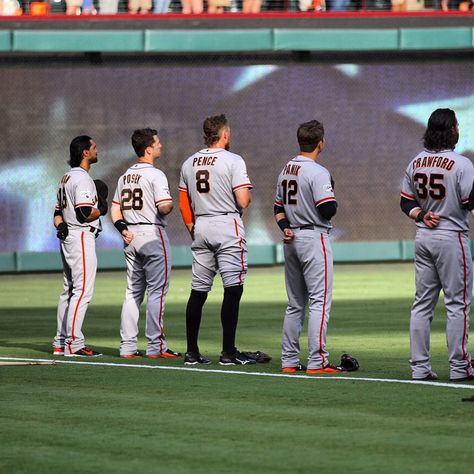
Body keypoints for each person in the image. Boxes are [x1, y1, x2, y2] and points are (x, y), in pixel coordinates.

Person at [400, 108, 474, 382]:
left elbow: (406, 201)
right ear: (451, 129)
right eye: (456, 124)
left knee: (422, 304)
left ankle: (419, 368)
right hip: (451, 237)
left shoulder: (416, 161)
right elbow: (472, 204)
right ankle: (459, 367)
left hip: (424, 237)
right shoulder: (462, 163)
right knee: (457, 305)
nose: (459, 128)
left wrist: (421, 214)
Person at [178, 114, 256, 366]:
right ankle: (228, 352)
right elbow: (243, 200)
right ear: (224, 135)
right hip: (226, 224)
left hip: (201, 225)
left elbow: (183, 202)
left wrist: (192, 227)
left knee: (198, 291)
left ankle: (191, 352)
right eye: (228, 132)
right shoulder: (233, 160)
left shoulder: (189, 162)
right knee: (233, 289)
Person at [274, 120, 343, 374]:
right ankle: (317, 361)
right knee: (319, 302)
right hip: (313, 239)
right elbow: (328, 209)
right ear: (320, 143)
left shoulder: (286, 169)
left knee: (295, 303)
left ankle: (289, 361)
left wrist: (285, 229)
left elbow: (278, 209)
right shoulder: (318, 172)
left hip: (291, 239)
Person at [110, 128, 180, 360]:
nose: (160, 145)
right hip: (152, 233)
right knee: (157, 292)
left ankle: (127, 347)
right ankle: (155, 346)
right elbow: (163, 207)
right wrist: (170, 205)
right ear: (148, 148)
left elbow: (115, 208)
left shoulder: (125, 176)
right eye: (157, 142)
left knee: (132, 293)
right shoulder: (156, 175)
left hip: (130, 235)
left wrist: (122, 229)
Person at [53, 136, 106, 357]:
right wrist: (101, 208)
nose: (96, 149)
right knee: (82, 291)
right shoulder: (82, 179)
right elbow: (85, 213)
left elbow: (57, 213)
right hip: (81, 237)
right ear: (85, 152)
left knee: (69, 291)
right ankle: (74, 344)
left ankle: (60, 341)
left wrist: (61, 227)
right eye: (93, 147)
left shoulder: (65, 178)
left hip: (68, 236)